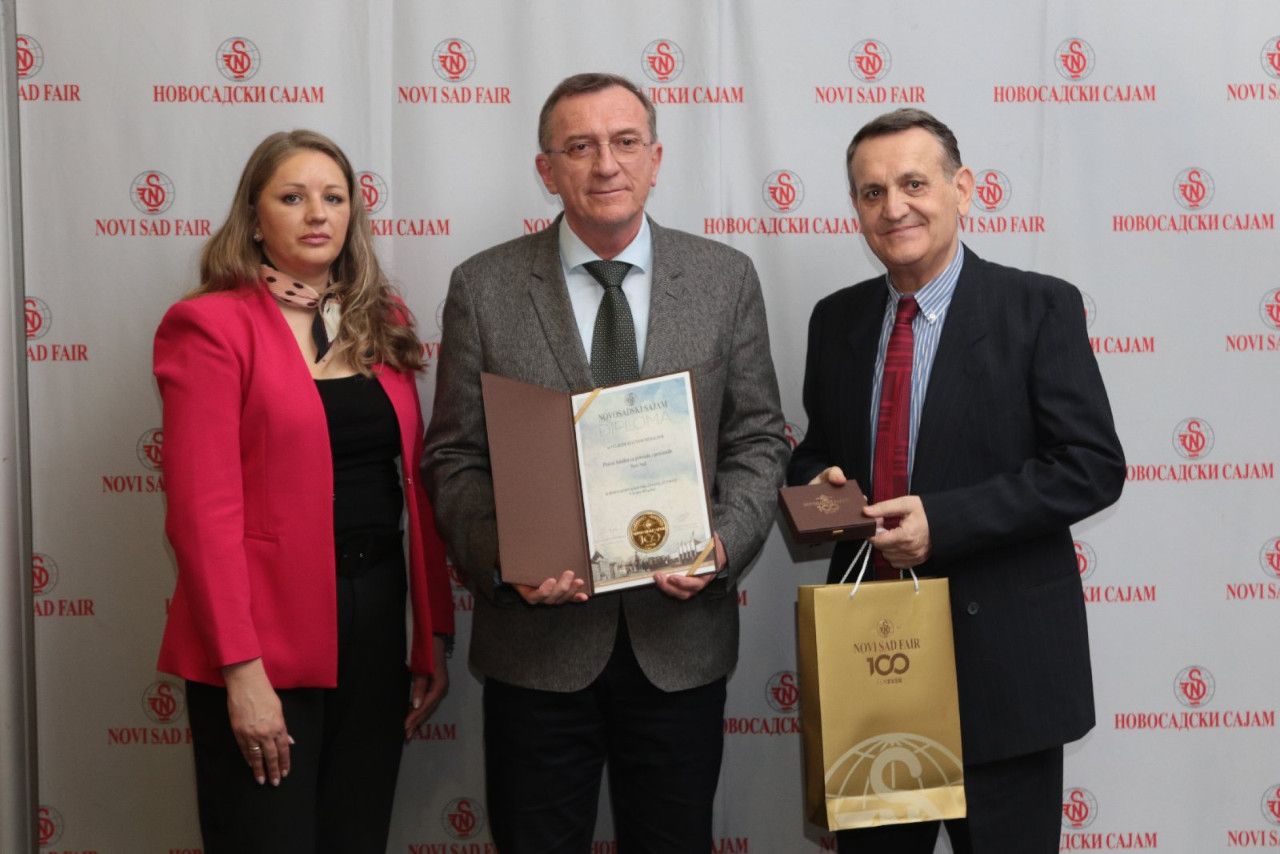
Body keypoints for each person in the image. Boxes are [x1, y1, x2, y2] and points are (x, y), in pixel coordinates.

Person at [424, 73, 788, 853]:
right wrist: (507, 560)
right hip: (536, 650)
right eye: (580, 147)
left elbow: (759, 438)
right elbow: (453, 456)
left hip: (679, 646)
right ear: (546, 169)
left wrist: (721, 543)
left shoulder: (724, 279)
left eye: (625, 142)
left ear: (656, 158)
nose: (606, 164)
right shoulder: (483, 287)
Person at [787, 109, 1125, 853]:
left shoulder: (1038, 307)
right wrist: (823, 487)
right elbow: (814, 455)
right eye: (872, 192)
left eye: (913, 183)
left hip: (1006, 674)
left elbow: (1092, 466)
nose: (893, 207)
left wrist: (944, 522)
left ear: (962, 188)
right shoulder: (835, 320)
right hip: (871, 675)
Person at [153, 129, 453, 854]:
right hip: (262, 637)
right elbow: (200, 515)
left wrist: (430, 635)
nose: (318, 213)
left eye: (334, 197)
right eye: (292, 197)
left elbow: (414, 486)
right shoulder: (209, 326)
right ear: (255, 219)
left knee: (358, 836)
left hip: (376, 621)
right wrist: (240, 672)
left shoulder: (381, 320)